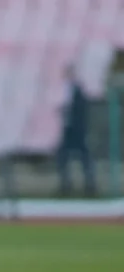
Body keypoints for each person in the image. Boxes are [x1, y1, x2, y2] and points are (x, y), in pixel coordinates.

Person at [57, 64, 96, 196]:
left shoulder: (79, 90)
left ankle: (90, 184)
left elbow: (82, 110)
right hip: (64, 128)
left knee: (84, 156)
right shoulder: (59, 91)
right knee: (63, 157)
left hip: (78, 129)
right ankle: (65, 184)